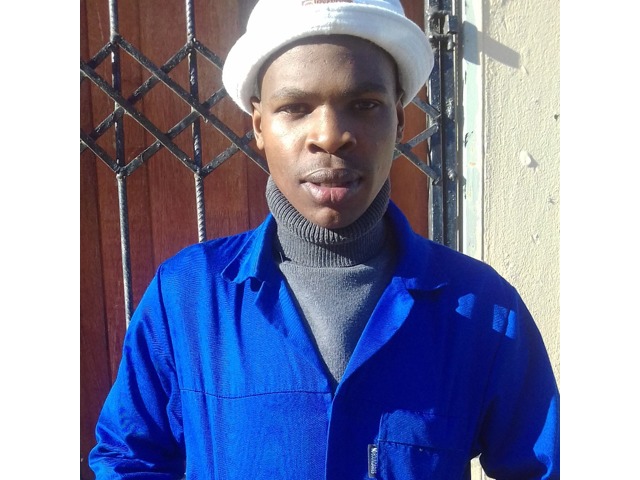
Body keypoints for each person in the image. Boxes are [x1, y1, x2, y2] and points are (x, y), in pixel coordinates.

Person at [89, 0, 560, 478]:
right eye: (295, 108)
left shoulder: (484, 309)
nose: (330, 136)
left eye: (364, 105)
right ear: (259, 126)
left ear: (399, 119)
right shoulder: (187, 297)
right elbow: (128, 458)